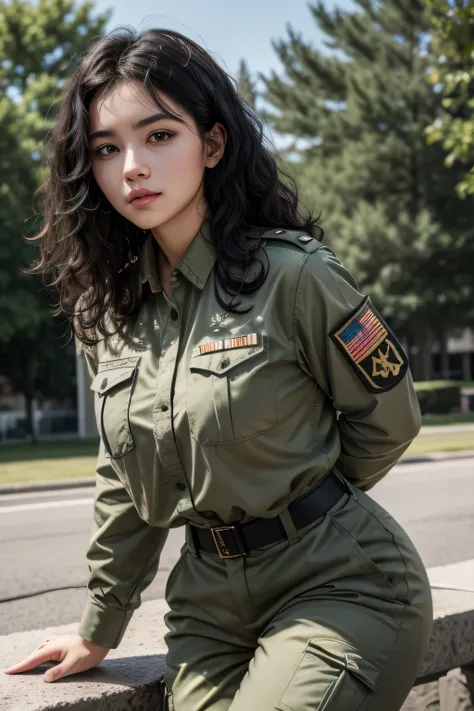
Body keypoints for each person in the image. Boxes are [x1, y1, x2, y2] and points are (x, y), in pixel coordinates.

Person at [4, 28, 433, 711]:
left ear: (212, 143)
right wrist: (98, 626)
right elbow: (125, 477)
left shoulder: (294, 277)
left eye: (159, 136)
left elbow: (390, 417)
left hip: (340, 583)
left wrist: (303, 502)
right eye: (107, 149)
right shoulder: (109, 314)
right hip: (206, 607)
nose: (132, 167)